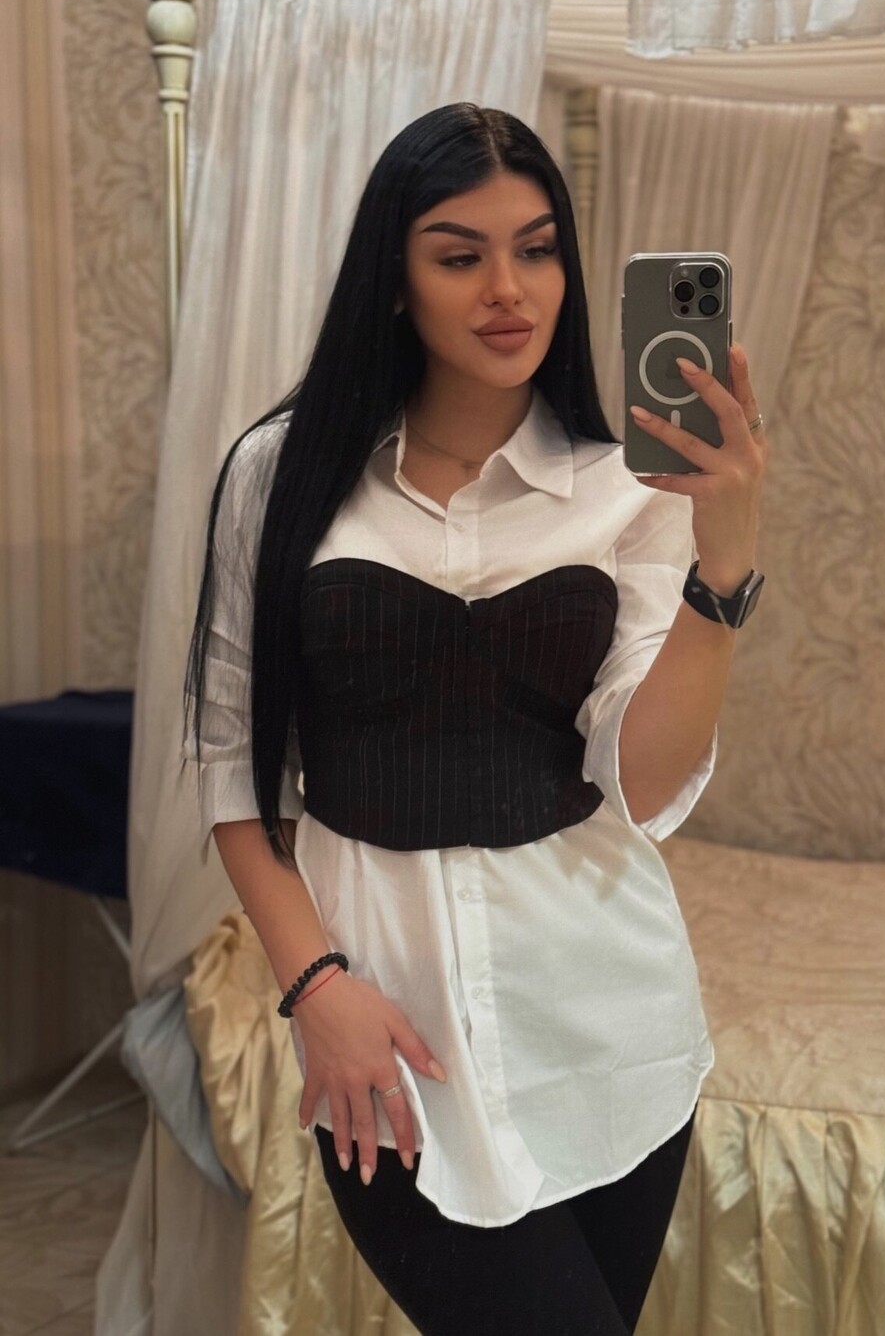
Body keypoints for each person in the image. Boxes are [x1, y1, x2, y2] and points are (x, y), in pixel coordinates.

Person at [183, 102, 769, 1336]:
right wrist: (314, 986)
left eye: (538, 249)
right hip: (389, 1041)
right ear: (394, 280)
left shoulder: (630, 491)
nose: (510, 288)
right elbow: (234, 766)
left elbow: (641, 783)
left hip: (609, 1025)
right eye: (461, 255)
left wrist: (722, 567)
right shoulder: (278, 475)